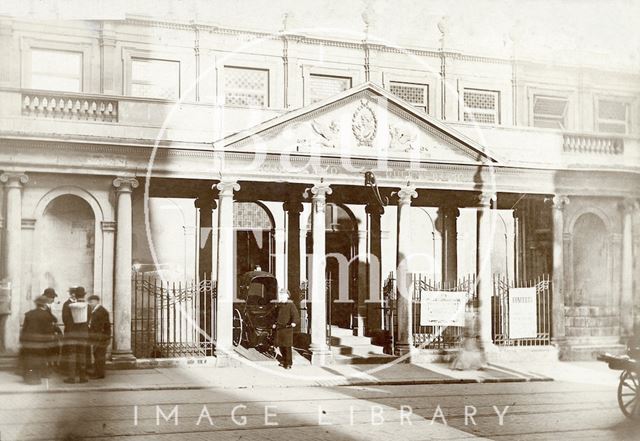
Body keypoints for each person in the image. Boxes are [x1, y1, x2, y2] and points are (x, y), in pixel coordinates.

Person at [20, 295, 56, 385]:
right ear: (44, 304)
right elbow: (49, 331)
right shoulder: (47, 315)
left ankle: (29, 378)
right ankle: (36, 379)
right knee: (38, 360)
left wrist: (22, 340)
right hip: (40, 342)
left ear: (36, 304)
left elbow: (24, 329)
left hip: (29, 341)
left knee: (30, 360)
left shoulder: (29, 314)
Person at [63, 287, 89, 383]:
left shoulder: (69, 306)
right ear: (84, 295)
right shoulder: (88, 306)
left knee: (72, 355)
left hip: (72, 334)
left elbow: (65, 320)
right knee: (82, 355)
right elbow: (88, 320)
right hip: (83, 334)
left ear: (75, 295)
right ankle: (82, 377)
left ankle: (71, 377)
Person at [272, 289, 300, 369]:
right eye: (280, 294)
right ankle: (283, 360)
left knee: (287, 346)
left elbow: (295, 315)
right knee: (281, 345)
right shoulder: (279, 305)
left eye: (283, 294)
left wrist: (294, 322)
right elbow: (276, 316)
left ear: (287, 296)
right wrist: (274, 323)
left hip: (287, 328)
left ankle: (289, 363)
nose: (281, 296)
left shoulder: (291, 305)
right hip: (279, 328)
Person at [87, 295, 111, 379]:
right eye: (89, 302)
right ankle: (97, 372)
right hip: (100, 337)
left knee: (99, 355)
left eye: (91, 302)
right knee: (97, 354)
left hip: (101, 337)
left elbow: (100, 326)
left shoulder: (101, 311)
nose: (90, 304)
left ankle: (99, 374)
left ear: (97, 301)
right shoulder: (96, 310)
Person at [42, 288, 63, 374]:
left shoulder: (47, 306)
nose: (53, 299)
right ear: (46, 297)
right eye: (52, 297)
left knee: (53, 349)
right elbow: (50, 320)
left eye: (53, 297)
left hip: (50, 331)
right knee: (49, 350)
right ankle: (48, 367)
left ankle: (51, 365)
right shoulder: (44, 306)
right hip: (46, 333)